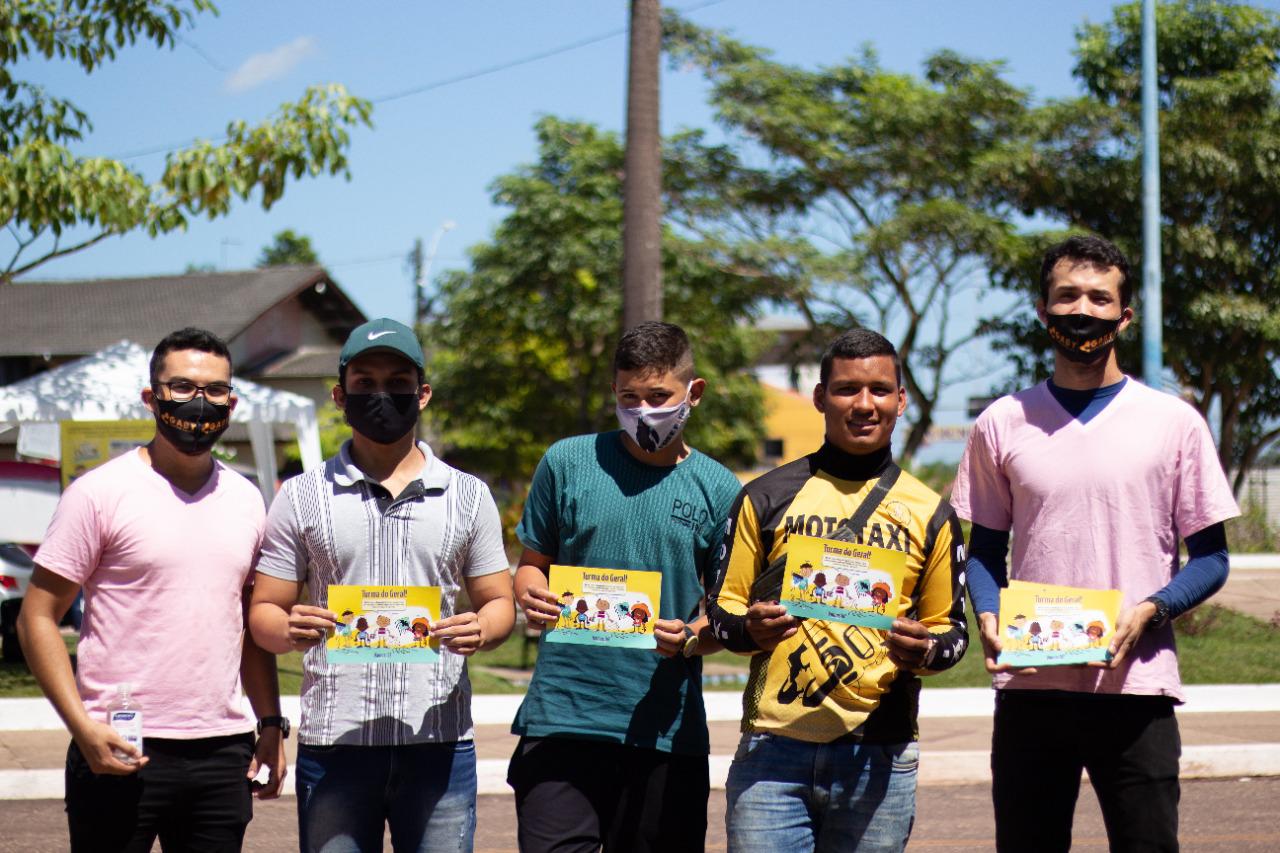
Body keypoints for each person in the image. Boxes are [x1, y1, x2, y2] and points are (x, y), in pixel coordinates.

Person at [951, 234, 1241, 853]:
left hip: (1137, 688)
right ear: (1043, 311)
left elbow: (1212, 558)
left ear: (1124, 316)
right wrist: (988, 614)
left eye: (1099, 298)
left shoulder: (1174, 422)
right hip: (1032, 688)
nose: (1082, 310)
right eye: (1067, 296)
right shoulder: (1002, 422)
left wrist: (1152, 610)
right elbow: (983, 554)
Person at [248, 317, 514, 853]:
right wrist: (288, 627)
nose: (381, 395)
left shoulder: (468, 495)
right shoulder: (300, 496)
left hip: (438, 742)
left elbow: (499, 603)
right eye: (364, 383)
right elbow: (264, 613)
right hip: (334, 744)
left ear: (423, 393)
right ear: (339, 396)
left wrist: (483, 629)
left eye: (397, 382)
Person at [17, 327, 286, 852]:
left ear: (231, 403)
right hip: (117, 744)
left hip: (222, 750)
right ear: (151, 397)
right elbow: (37, 617)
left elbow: (250, 624)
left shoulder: (247, 499)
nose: (199, 402)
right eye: (181, 387)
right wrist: (82, 727)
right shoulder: (98, 493)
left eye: (214, 390)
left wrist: (271, 723)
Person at [705, 328, 968, 853]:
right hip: (772, 754)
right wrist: (749, 630)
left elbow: (953, 633)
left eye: (879, 390)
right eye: (847, 389)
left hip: (880, 755)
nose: (864, 404)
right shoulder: (763, 497)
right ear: (821, 397)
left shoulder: (932, 513)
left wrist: (925, 649)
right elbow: (720, 610)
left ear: (901, 400)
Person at [509, 321, 742, 853]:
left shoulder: (720, 488)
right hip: (562, 718)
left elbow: (726, 615)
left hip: (665, 733)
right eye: (628, 397)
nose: (642, 411)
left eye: (658, 397)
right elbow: (531, 564)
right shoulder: (566, 462)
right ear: (613, 390)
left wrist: (691, 637)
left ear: (694, 392)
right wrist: (530, 592)